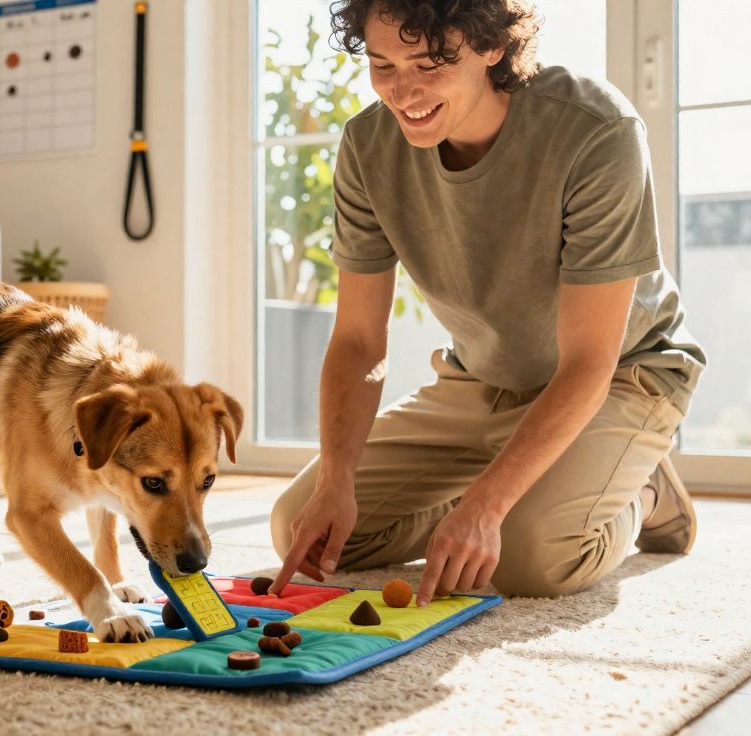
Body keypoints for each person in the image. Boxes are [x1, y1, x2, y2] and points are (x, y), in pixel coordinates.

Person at [269, 0, 707, 604]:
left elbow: (589, 362)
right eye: (382, 64)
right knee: (307, 528)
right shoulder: (368, 148)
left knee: (529, 559)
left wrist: (488, 506)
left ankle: (642, 490)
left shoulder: (597, 130)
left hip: (624, 374)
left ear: (491, 46)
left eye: (428, 63)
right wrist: (337, 475)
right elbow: (358, 342)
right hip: (481, 380)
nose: (403, 90)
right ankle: (521, 481)